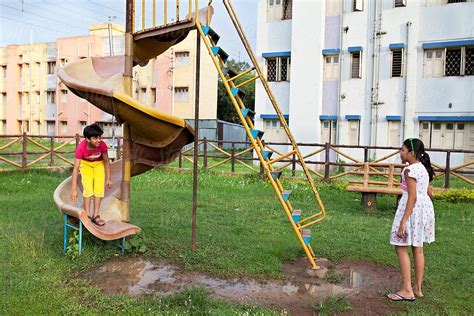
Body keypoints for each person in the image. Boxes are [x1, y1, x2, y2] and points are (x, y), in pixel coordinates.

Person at [388, 138, 435, 302]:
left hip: (411, 209)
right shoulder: (422, 168)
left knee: (400, 246)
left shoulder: (409, 171)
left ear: (411, 153)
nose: (400, 152)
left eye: (402, 150)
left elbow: (412, 197)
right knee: (418, 247)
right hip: (423, 209)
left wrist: (404, 220)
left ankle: (407, 290)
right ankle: (418, 288)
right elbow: (429, 193)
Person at [70, 124, 112, 226]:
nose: (98, 140)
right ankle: (87, 215)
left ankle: (96, 215)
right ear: (87, 139)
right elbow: (75, 169)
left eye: (99, 137)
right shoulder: (81, 148)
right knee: (88, 188)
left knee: (99, 189)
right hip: (86, 165)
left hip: (99, 164)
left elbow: (106, 162)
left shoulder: (102, 145)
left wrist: (108, 179)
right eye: (95, 138)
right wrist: (74, 190)